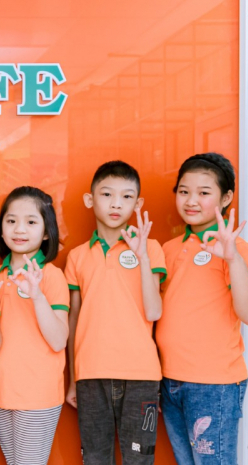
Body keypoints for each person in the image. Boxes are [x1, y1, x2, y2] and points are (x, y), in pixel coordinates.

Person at [155, 153, 248, 464]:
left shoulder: (237, 250)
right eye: (184, 191)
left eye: (203, 192)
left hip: (213, 383)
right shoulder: (168, 249)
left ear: (226, 198)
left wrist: (231, 258)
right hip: (170, 380)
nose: (191, 201)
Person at [65, 161, 166, 464]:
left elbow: (154, 311)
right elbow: (73, 320)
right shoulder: (77, 256)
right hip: (91, 375)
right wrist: (73, 378)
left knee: (140, 459)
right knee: (95, 458)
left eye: (126, 196)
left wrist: (142, 256)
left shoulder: (151, 249)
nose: (116, 204)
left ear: (138, 203)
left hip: (142, 377)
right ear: (89, 199)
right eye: (107, 194)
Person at [0, 187, 70, 465]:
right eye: (11, 221)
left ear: (46, 232)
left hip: (38, 395)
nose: (19, 229)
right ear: (1, 229)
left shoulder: (51, 276)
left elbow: (58, 340)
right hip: (0, 392)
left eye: (31, 222)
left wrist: (37, 296)